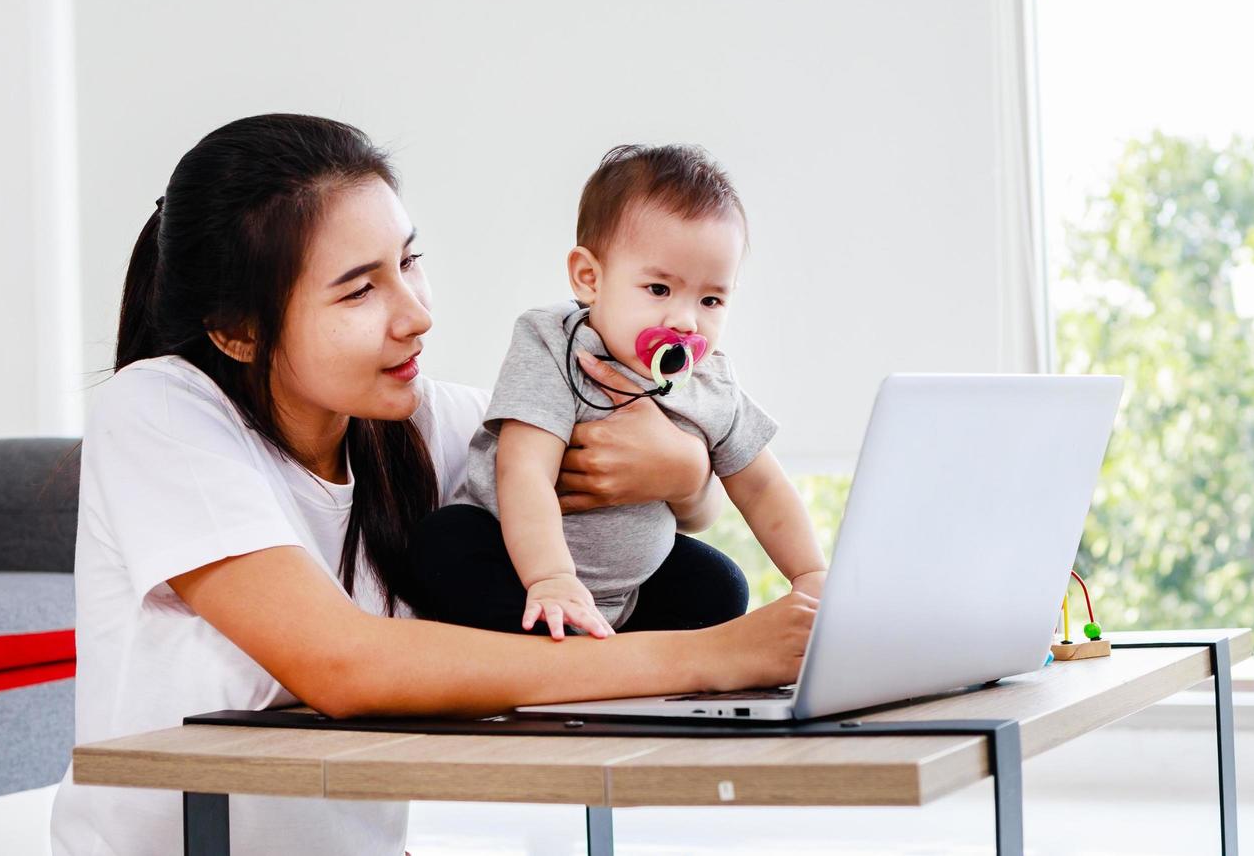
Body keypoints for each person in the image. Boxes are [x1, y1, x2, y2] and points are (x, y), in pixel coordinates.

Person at [49, 114, 816, 856]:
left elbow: (674, 504)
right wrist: (718, 656)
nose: (416, 315)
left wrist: (685, 470)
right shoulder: (159, 411)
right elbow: (343, 665)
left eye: (409, 263)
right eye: (359, 291)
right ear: (238, 329)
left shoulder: (419, 422)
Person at [410, 145, 828, 641]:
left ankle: (611, 653)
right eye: (658, 289)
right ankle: (560, 650)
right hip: (519, 567)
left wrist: (812, 577)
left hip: (629, 588)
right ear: (590, 278)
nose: (685, 320)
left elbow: (762, 487)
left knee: (720, 585)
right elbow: (523, 470)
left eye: (711, 299)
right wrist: (552, 578)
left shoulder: (711, 383)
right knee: (443, 545)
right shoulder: (554, 344)